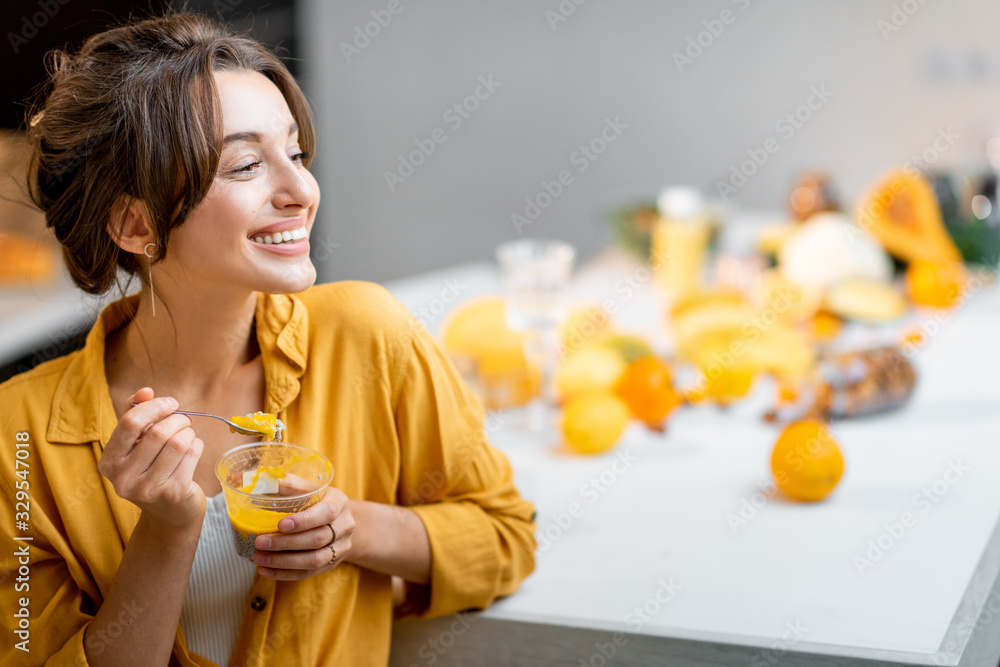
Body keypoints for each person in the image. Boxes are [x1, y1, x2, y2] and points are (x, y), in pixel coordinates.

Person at [0, 11, 536, 667]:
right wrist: (167, 534)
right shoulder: (15, 439)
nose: (302, 190)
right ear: (136, 224)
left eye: (297, 153)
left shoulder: (369, 334)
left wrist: (357, 528)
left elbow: (506, 536)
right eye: (248, 164)